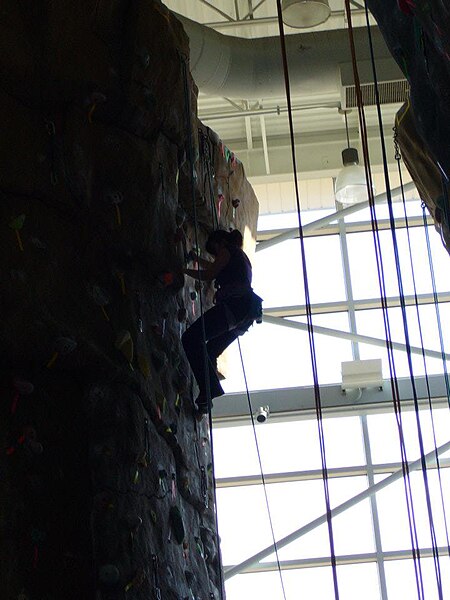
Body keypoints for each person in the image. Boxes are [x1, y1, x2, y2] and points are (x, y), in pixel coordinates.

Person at [182, 229, 262, 415]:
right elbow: (215, 267)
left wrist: (183, 270)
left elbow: (210, 274)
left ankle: (210, 389)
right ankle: (206, 398)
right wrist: (196, 259)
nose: (216, 254)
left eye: (214, 249)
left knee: (191, 338)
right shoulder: (241, 257)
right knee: (209, 351)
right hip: (244, 316)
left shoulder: (228, 250)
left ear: (221, 242)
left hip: (234, 308)